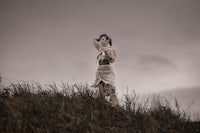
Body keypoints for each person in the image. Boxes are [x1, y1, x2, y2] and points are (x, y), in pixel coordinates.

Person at [91, 34, 118, 107]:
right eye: (101, 39)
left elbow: (112, 60)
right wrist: (99, 39)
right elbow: (94, 41)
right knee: (100, 88)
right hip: (100, 70)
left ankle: (114, 105)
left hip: (107, 70)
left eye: (103, 39)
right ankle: (102, 105)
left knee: (110, 88)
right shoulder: (100, 49)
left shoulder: (110, 49)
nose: (101, 40)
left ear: (107, 40)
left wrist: (106, 53)